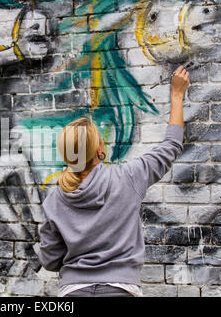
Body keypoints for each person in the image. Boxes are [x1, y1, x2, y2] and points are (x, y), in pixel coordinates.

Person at [37, 65, 190, 297]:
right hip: (121, 289)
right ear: (99, 149)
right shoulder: (128, 177)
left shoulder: (54, 199)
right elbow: (171, 146)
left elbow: (50, 260)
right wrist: (177, 95)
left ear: (66, 154)